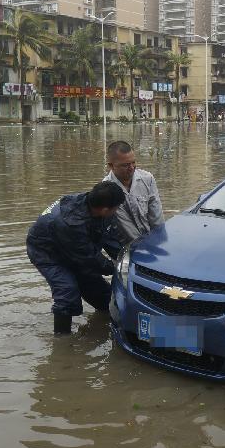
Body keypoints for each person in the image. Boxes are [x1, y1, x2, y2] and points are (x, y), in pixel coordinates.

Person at [27, 181, 126, 334]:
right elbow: (89, 258)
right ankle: (63, 343)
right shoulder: (71, 222)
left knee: (103, 295)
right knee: (67, 291)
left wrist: (126, 261)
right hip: (47, 253)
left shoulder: (97, 206)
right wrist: (116, 270)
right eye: (116, 208)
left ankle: (105, 325)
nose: (117, 210)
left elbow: (111, 240)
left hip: (75, 248)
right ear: (106, 209)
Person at [103, 141, 165, 249]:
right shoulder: (107, 188)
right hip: (124, 248)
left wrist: (161, 241)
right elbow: (125, 226)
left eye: (133, 162)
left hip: (151, 241)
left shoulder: (147, 179)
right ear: (111, 166)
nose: (131, 167)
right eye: (125, 165)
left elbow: (156, 216)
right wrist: (145, 248)